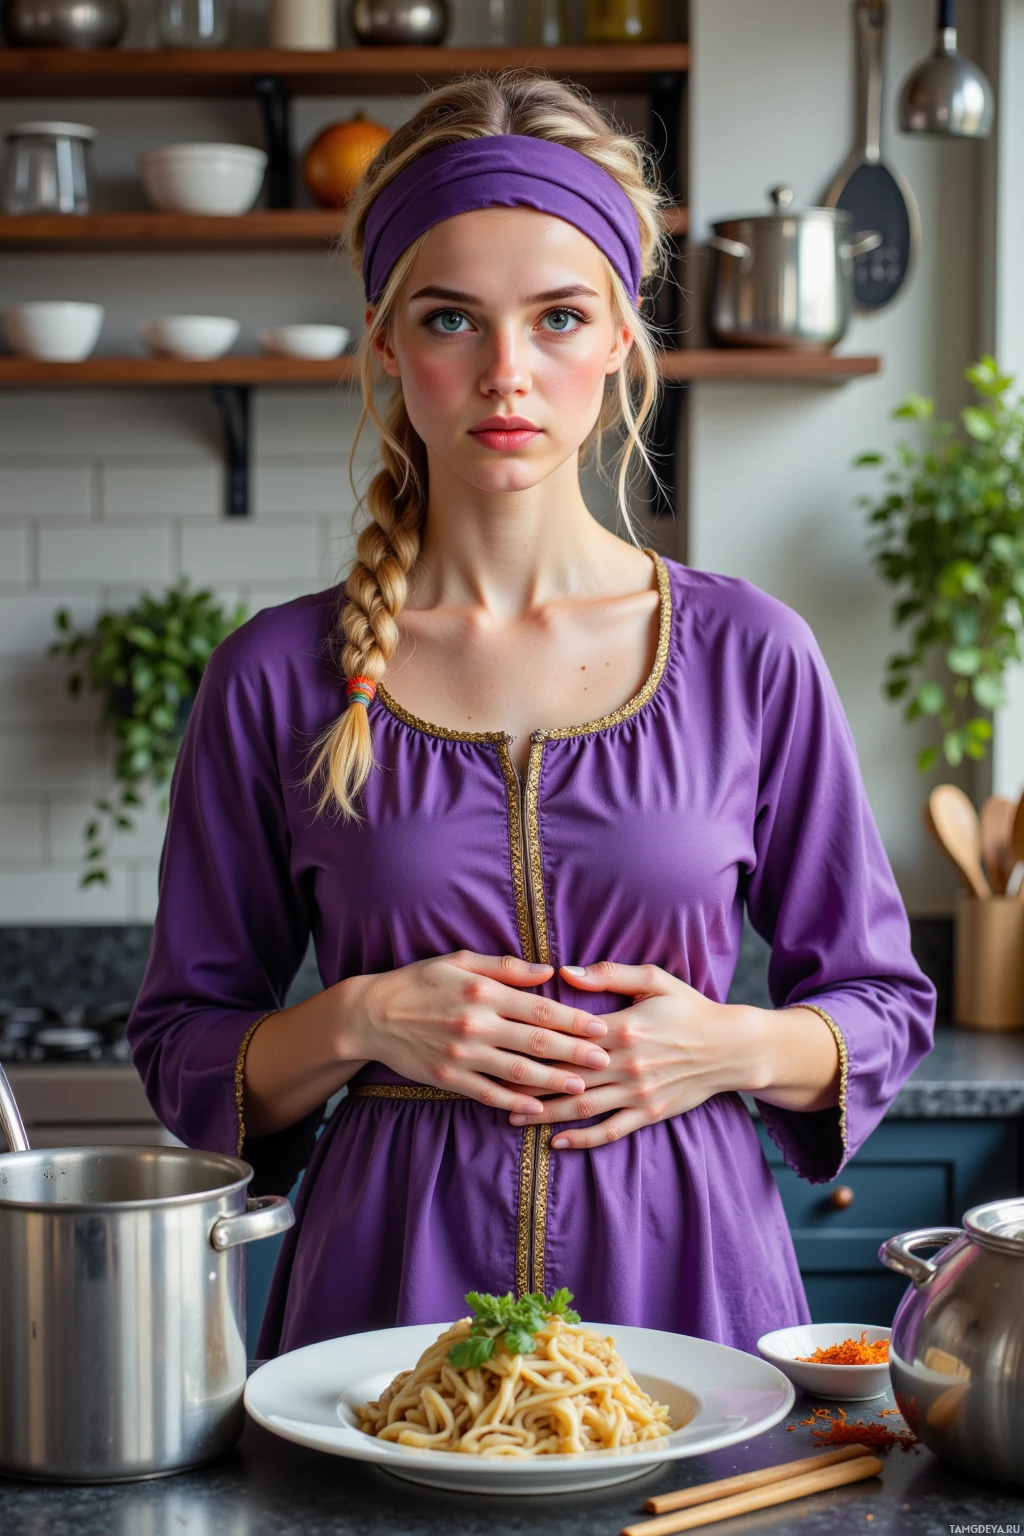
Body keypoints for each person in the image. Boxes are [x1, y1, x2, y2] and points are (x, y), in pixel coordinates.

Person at [127, 69, 936, 1359]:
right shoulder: (276, 675)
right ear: (389, 341)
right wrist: (363, 1018)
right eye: (453, 319)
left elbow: (879, 1002)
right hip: (384, 1312)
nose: (508, 373)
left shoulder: (750, 653)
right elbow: (184, 1046)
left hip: (692, 1288)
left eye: (558, 317)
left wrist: (719, 1047)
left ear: (621, 334)